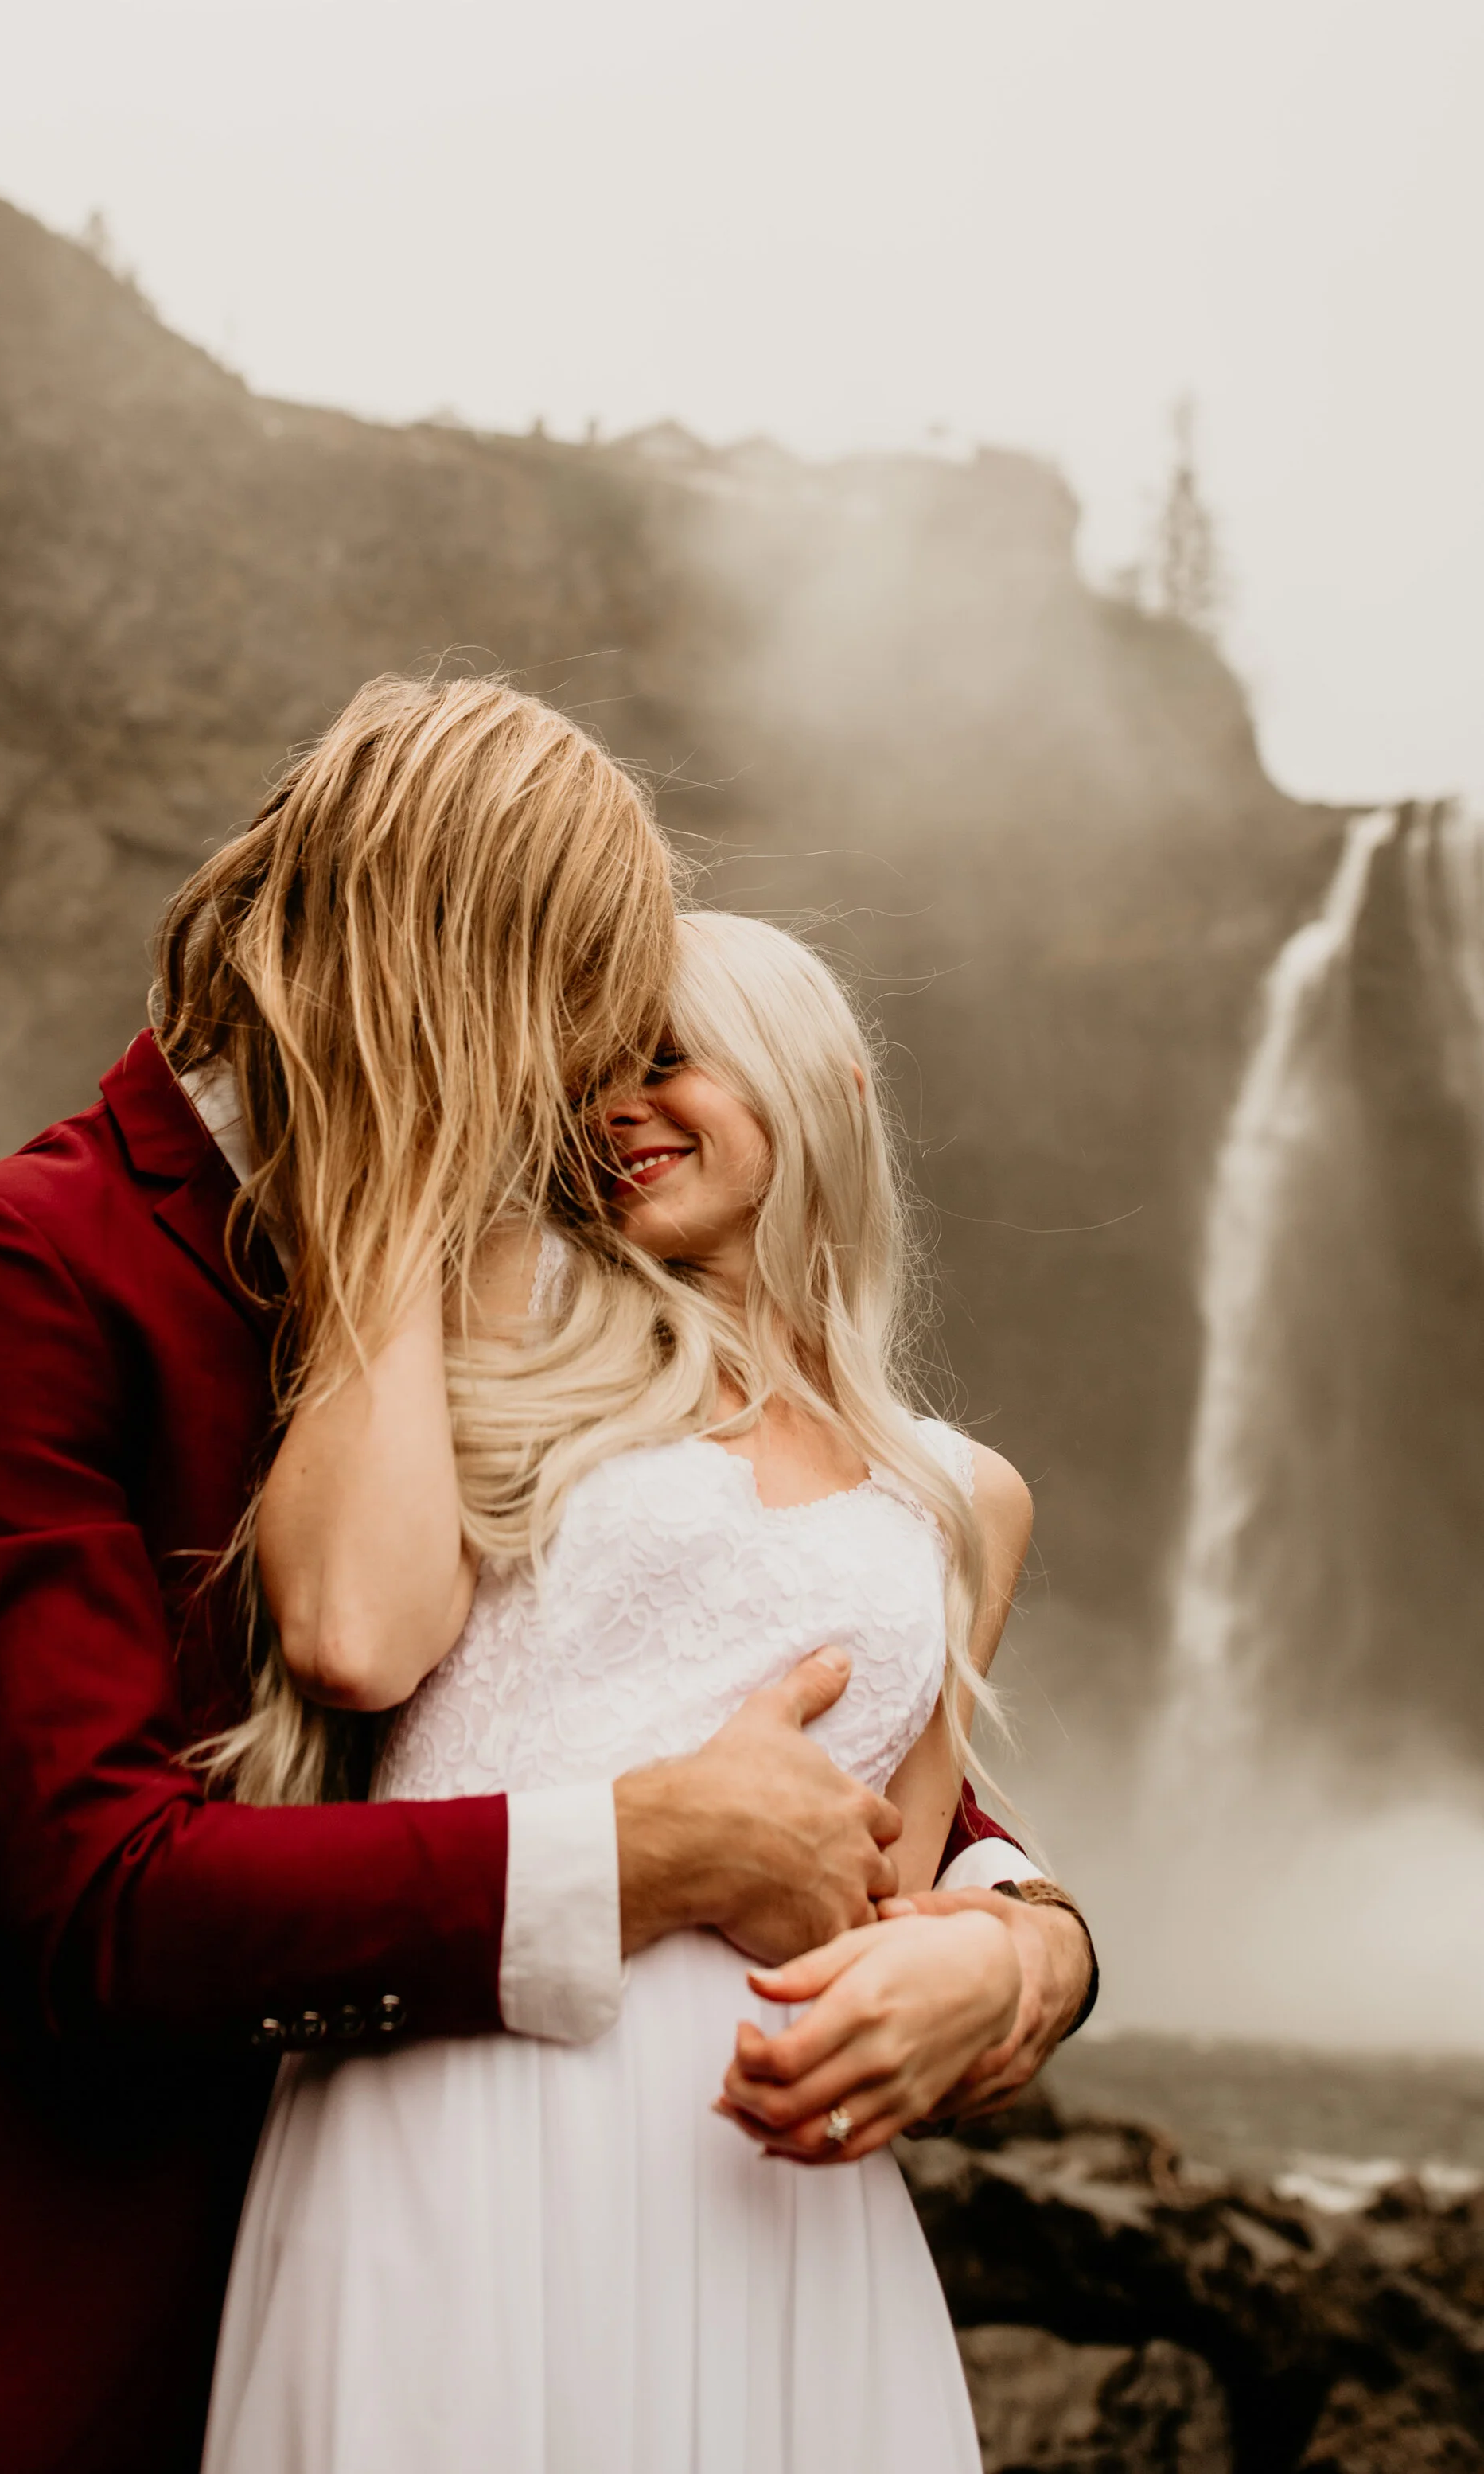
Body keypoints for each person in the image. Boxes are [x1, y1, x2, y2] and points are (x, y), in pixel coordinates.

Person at [0, 680, 1090, 2474]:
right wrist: (638, 1854)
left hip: (666, 2262)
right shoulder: (18, 1268)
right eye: (581, 1016)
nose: (596, 1091)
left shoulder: (575, 1284)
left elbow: (776, 1691)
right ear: (457, 970)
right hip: (159, 2302)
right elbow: (92, 1900)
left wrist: (1026, 1951)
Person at [201, 910, 1089, 2474]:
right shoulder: (495, 1299)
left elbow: (882, 1885)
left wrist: (1004, 1959)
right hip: (463, 2103)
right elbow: (348, 1633)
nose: (615, 1104)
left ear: (824, 1083)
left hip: (781, 2171)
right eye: (587, 1076)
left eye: (664, 1059)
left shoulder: (963, 1501)